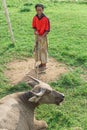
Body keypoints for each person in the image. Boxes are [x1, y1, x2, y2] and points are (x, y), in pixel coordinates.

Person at [32, 4, 50, 69]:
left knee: (43, 50)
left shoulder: (46, 18)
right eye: (37, 10)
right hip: (37, 36)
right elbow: (34, 26)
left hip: (43, 37)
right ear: (36, 10)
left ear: (43, 10)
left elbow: (47, 30)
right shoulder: (35, 17)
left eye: (40, 10)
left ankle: (44, 64)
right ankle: (40, 62)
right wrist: (35, 31)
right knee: (37, 49)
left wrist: (42, 36)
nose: (38, 11)